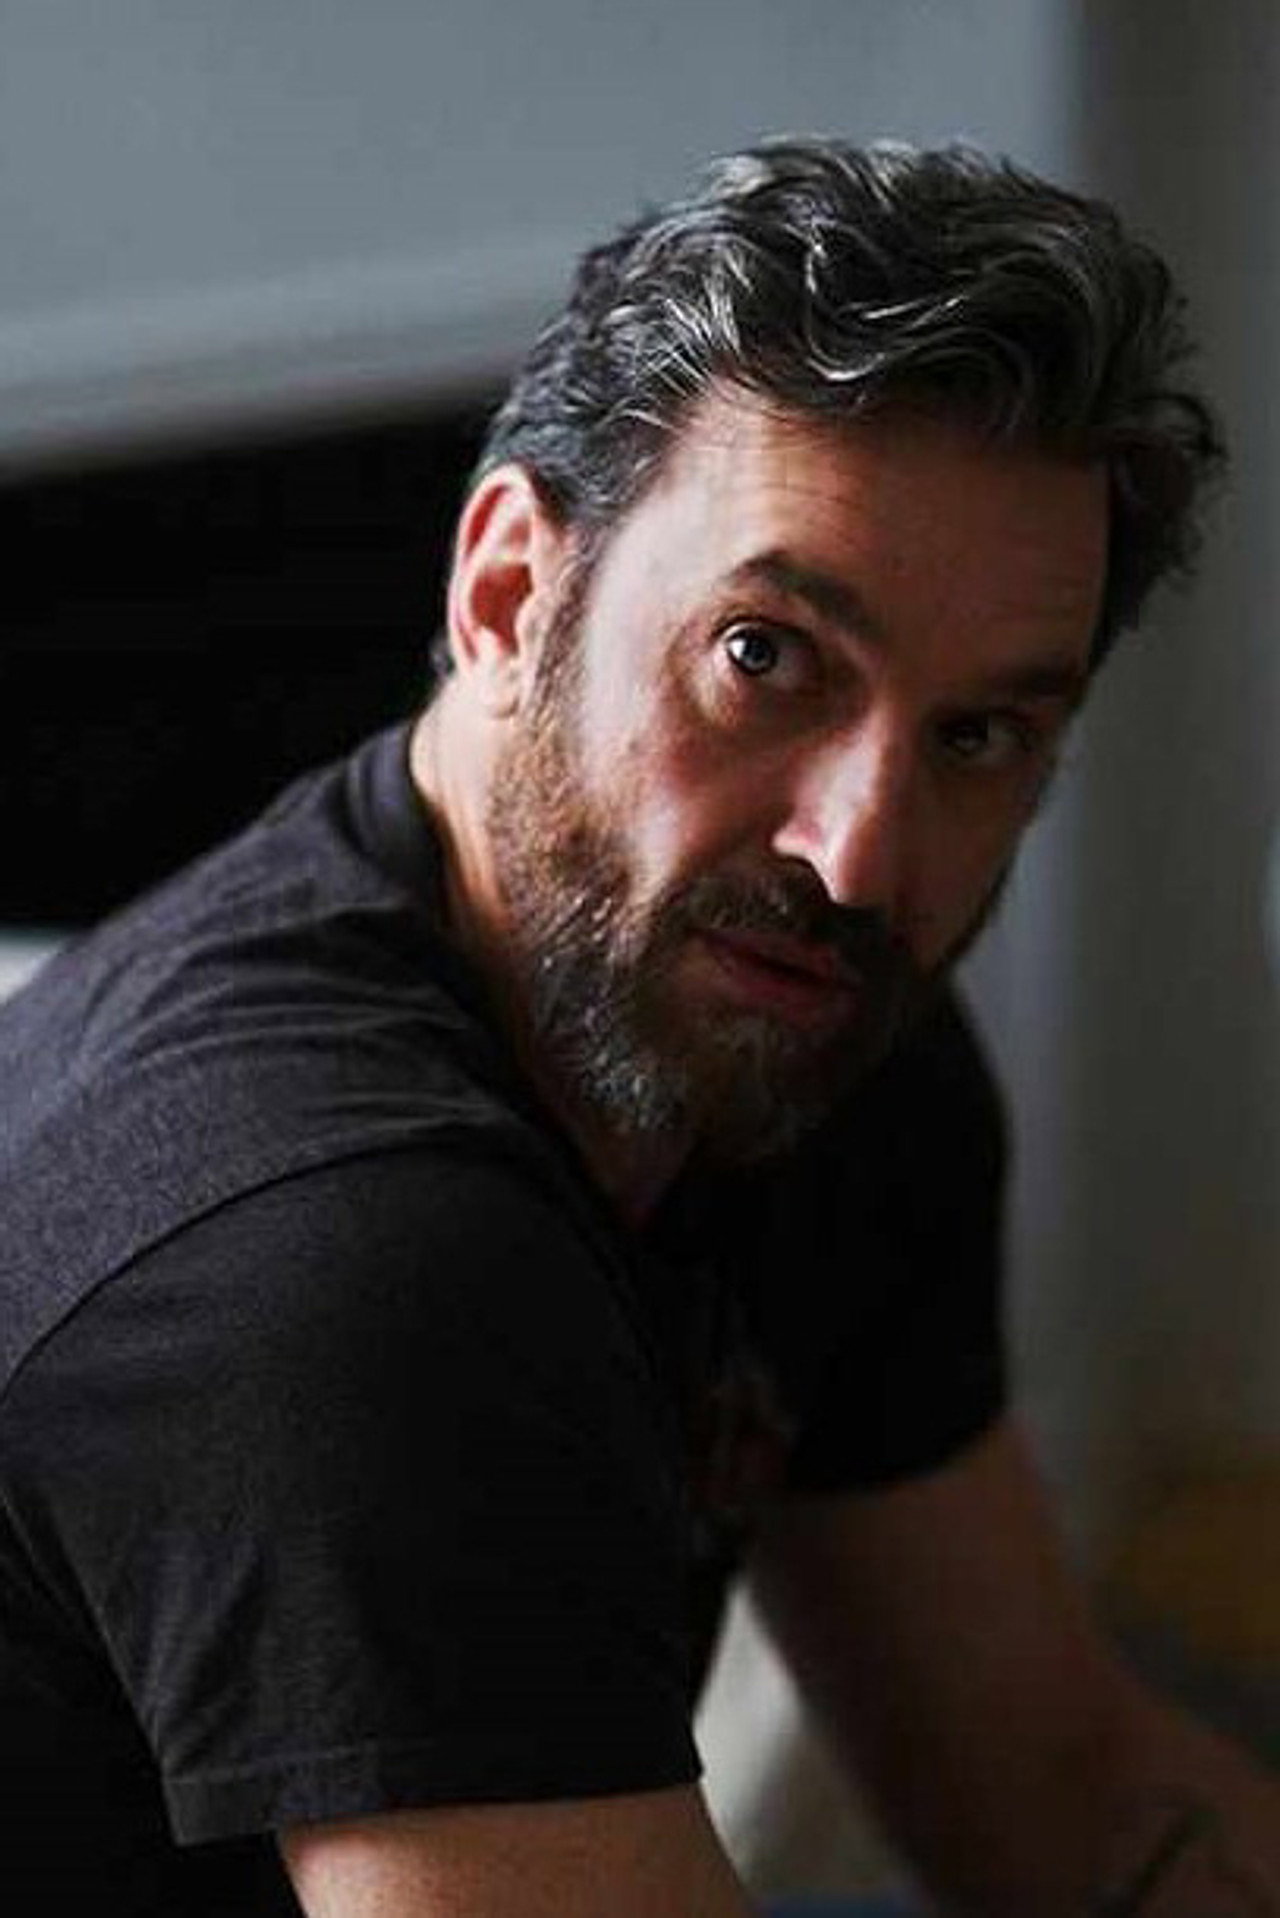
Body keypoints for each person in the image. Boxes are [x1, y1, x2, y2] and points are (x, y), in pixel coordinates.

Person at [0, 136, 1275, 1917]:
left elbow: (1056, 1785)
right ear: (509, 594)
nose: (859, 855)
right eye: (766, 656)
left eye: (979, 735)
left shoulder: (815, 1037)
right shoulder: (337, 1259)